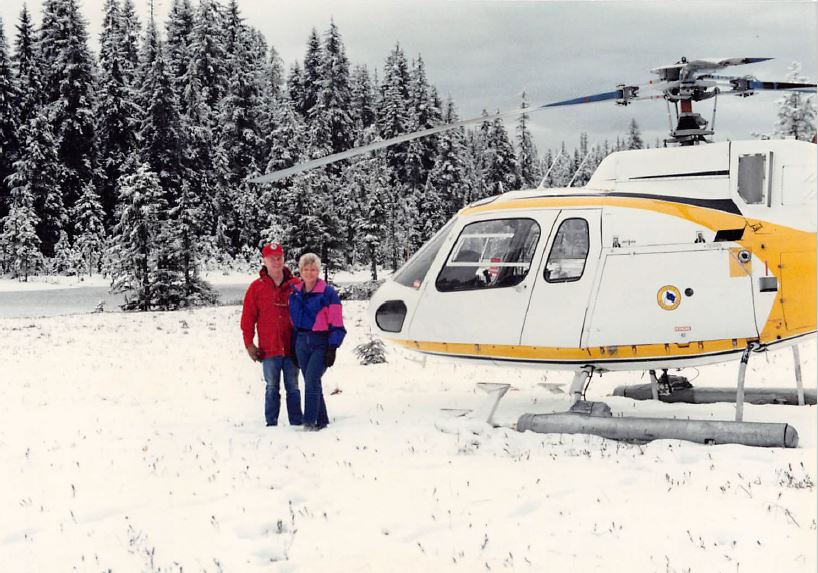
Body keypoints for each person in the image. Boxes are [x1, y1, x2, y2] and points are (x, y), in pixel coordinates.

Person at [240, 243, 303, 427]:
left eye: (279, 257)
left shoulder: (296, 285)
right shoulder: (256, 288)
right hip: (269, 349)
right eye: (272, 258)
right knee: (271, 387)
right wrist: (249, 344)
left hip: (292, 347)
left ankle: (296, 423)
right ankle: (271, 424)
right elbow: (248, 319)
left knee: (293, 387)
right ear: (264, 261)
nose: (276, 262)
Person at [289, 253, 346, 430]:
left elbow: (337, 322)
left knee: (312, 380)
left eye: (313, 269)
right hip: (301, 342)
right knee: (312, 382)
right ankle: (322, 420)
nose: (309, 273)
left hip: (320, 343)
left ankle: (309, 422)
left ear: (318, 271)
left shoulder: (327, 293)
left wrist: (333, 347)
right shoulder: (296, 293)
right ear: (301, 271)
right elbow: (293, 322)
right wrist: (293, 346)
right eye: (306, 269)